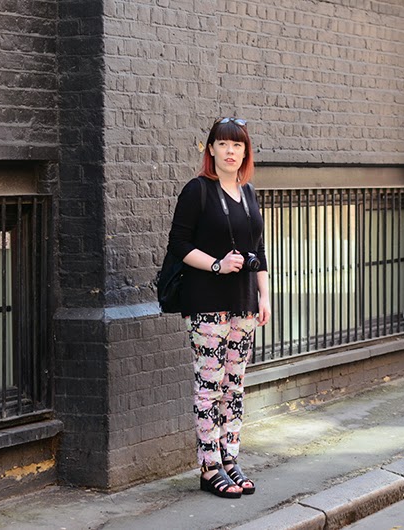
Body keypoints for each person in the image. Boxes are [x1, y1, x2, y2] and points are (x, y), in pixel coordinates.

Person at [168, 117, 271, 499]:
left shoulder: (249, 192)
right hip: (207, 305)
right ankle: (209, 466)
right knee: (209, 387)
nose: (230, 151)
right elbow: (178, 244)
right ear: (210, 149)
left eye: (237, 145)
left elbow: (258, 251)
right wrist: (216, 264)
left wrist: (264, 296)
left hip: (243, 304)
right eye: (223, 144)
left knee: (234, 387)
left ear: (245, 152)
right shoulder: (197, 190)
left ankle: (230, 460)